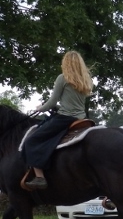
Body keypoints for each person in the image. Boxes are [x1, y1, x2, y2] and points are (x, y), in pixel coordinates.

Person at [23, 50, 93, 191]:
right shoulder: (87, 81)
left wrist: (41, 108)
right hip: (81, 118)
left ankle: (40, 177)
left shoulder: (63, 78)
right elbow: (72, 104)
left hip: (64, 118)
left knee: (32, 141)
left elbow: (52, 101)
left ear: (66, 63)